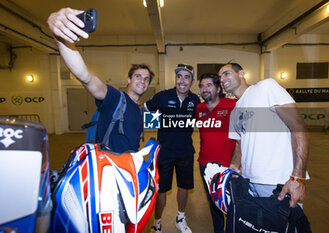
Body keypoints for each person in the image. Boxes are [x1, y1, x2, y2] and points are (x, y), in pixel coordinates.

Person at [47, 8, 154, 153]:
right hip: (108, 170)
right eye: (138, 76)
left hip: (129, 169)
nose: (143, 81)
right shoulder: (115, 99)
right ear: (129, 79)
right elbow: (85, 76)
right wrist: (60, 38)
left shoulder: (138, 110)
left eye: (147, 79)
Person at [218, 63, 309, 209]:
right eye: (220, 77)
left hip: (278, 182)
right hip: (250, 184)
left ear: (242, 73)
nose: (222, 79)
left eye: (226, 73)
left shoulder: (265, 87)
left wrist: (298, 178)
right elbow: (239, 144)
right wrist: (233, 166)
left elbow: (298, 128)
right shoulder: (235, 111)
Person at [144, 64, 200, 233]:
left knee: (184, 186)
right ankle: (158, 222)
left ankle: (180, 218)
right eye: (179, 76)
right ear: (175, 78)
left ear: (192, 81)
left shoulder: (195, 100)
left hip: (185, 151)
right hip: (165, 152)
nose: (182, 80)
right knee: (161, 190)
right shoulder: (162, 96)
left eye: (186, 77)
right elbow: (143, 109)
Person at [195, 73, 237, 233]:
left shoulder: (232, 105)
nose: (204, 89)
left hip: (229, 166)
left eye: (209, 85)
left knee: (234, 204)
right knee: (215, 204)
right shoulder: (199, 108)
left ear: (219, 88)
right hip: (205, 165)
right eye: (202, 86)